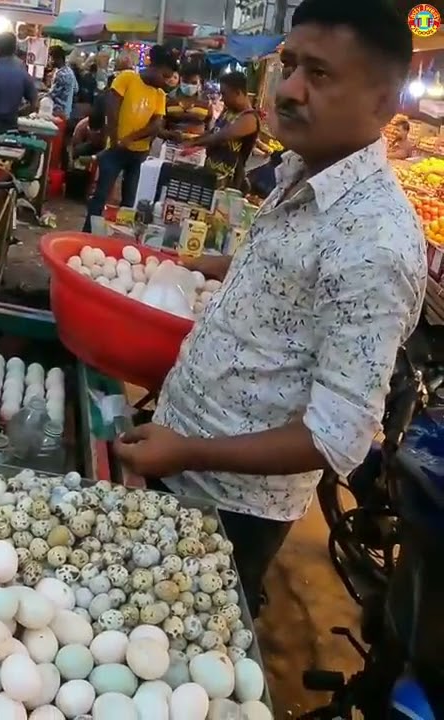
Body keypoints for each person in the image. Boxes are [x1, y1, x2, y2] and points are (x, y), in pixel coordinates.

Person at [114, 0, 426, 615]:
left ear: (384, 103)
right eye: (289, 65)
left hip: (230, 501)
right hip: (179, 447)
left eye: (321, 74)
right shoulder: (303, 172)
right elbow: (297, 283)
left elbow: (337, 435)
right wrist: (214, 266)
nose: (290, 89)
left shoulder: (377, 241)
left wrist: (188, 451)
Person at [81, 45, 177, 232]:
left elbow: (156, 125)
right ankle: (87, 233)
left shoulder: (159, 95)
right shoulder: (127, 78)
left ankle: (119, 237)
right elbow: (112, 107)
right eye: (165, 77)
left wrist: (131, 138)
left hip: (138, 154)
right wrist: (117, 138)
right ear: (154, 68)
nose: (166, 82)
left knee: (129, 201)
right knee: (101, 195)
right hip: (115, 150)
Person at [187, 71, 261, 190]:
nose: (222, 99)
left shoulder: (249, 118)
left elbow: (222, 136)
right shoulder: (228, 111)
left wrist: (195, 143)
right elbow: (213, 132)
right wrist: (193, 140)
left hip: (228, 183)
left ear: (238, 93)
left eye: (224, 94)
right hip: (211, 175)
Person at [162, 62, 212, 140]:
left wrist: (198, 141)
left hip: (197, 149)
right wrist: (171, 135)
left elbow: (209, 130)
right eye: (186, 82)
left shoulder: (206, 102)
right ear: (180, 80)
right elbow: (159, 129)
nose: (189, 86)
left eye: (194, 83)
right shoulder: (168, 99)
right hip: (171, 147)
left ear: (200, 82)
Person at [47, 45, 77, 119]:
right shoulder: (70, 71)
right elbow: (76, 89)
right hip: (67, 112)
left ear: (58, 59)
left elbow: (51, 95)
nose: (49, 61)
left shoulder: (61, 74)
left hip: (58, 113)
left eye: (51, 58)